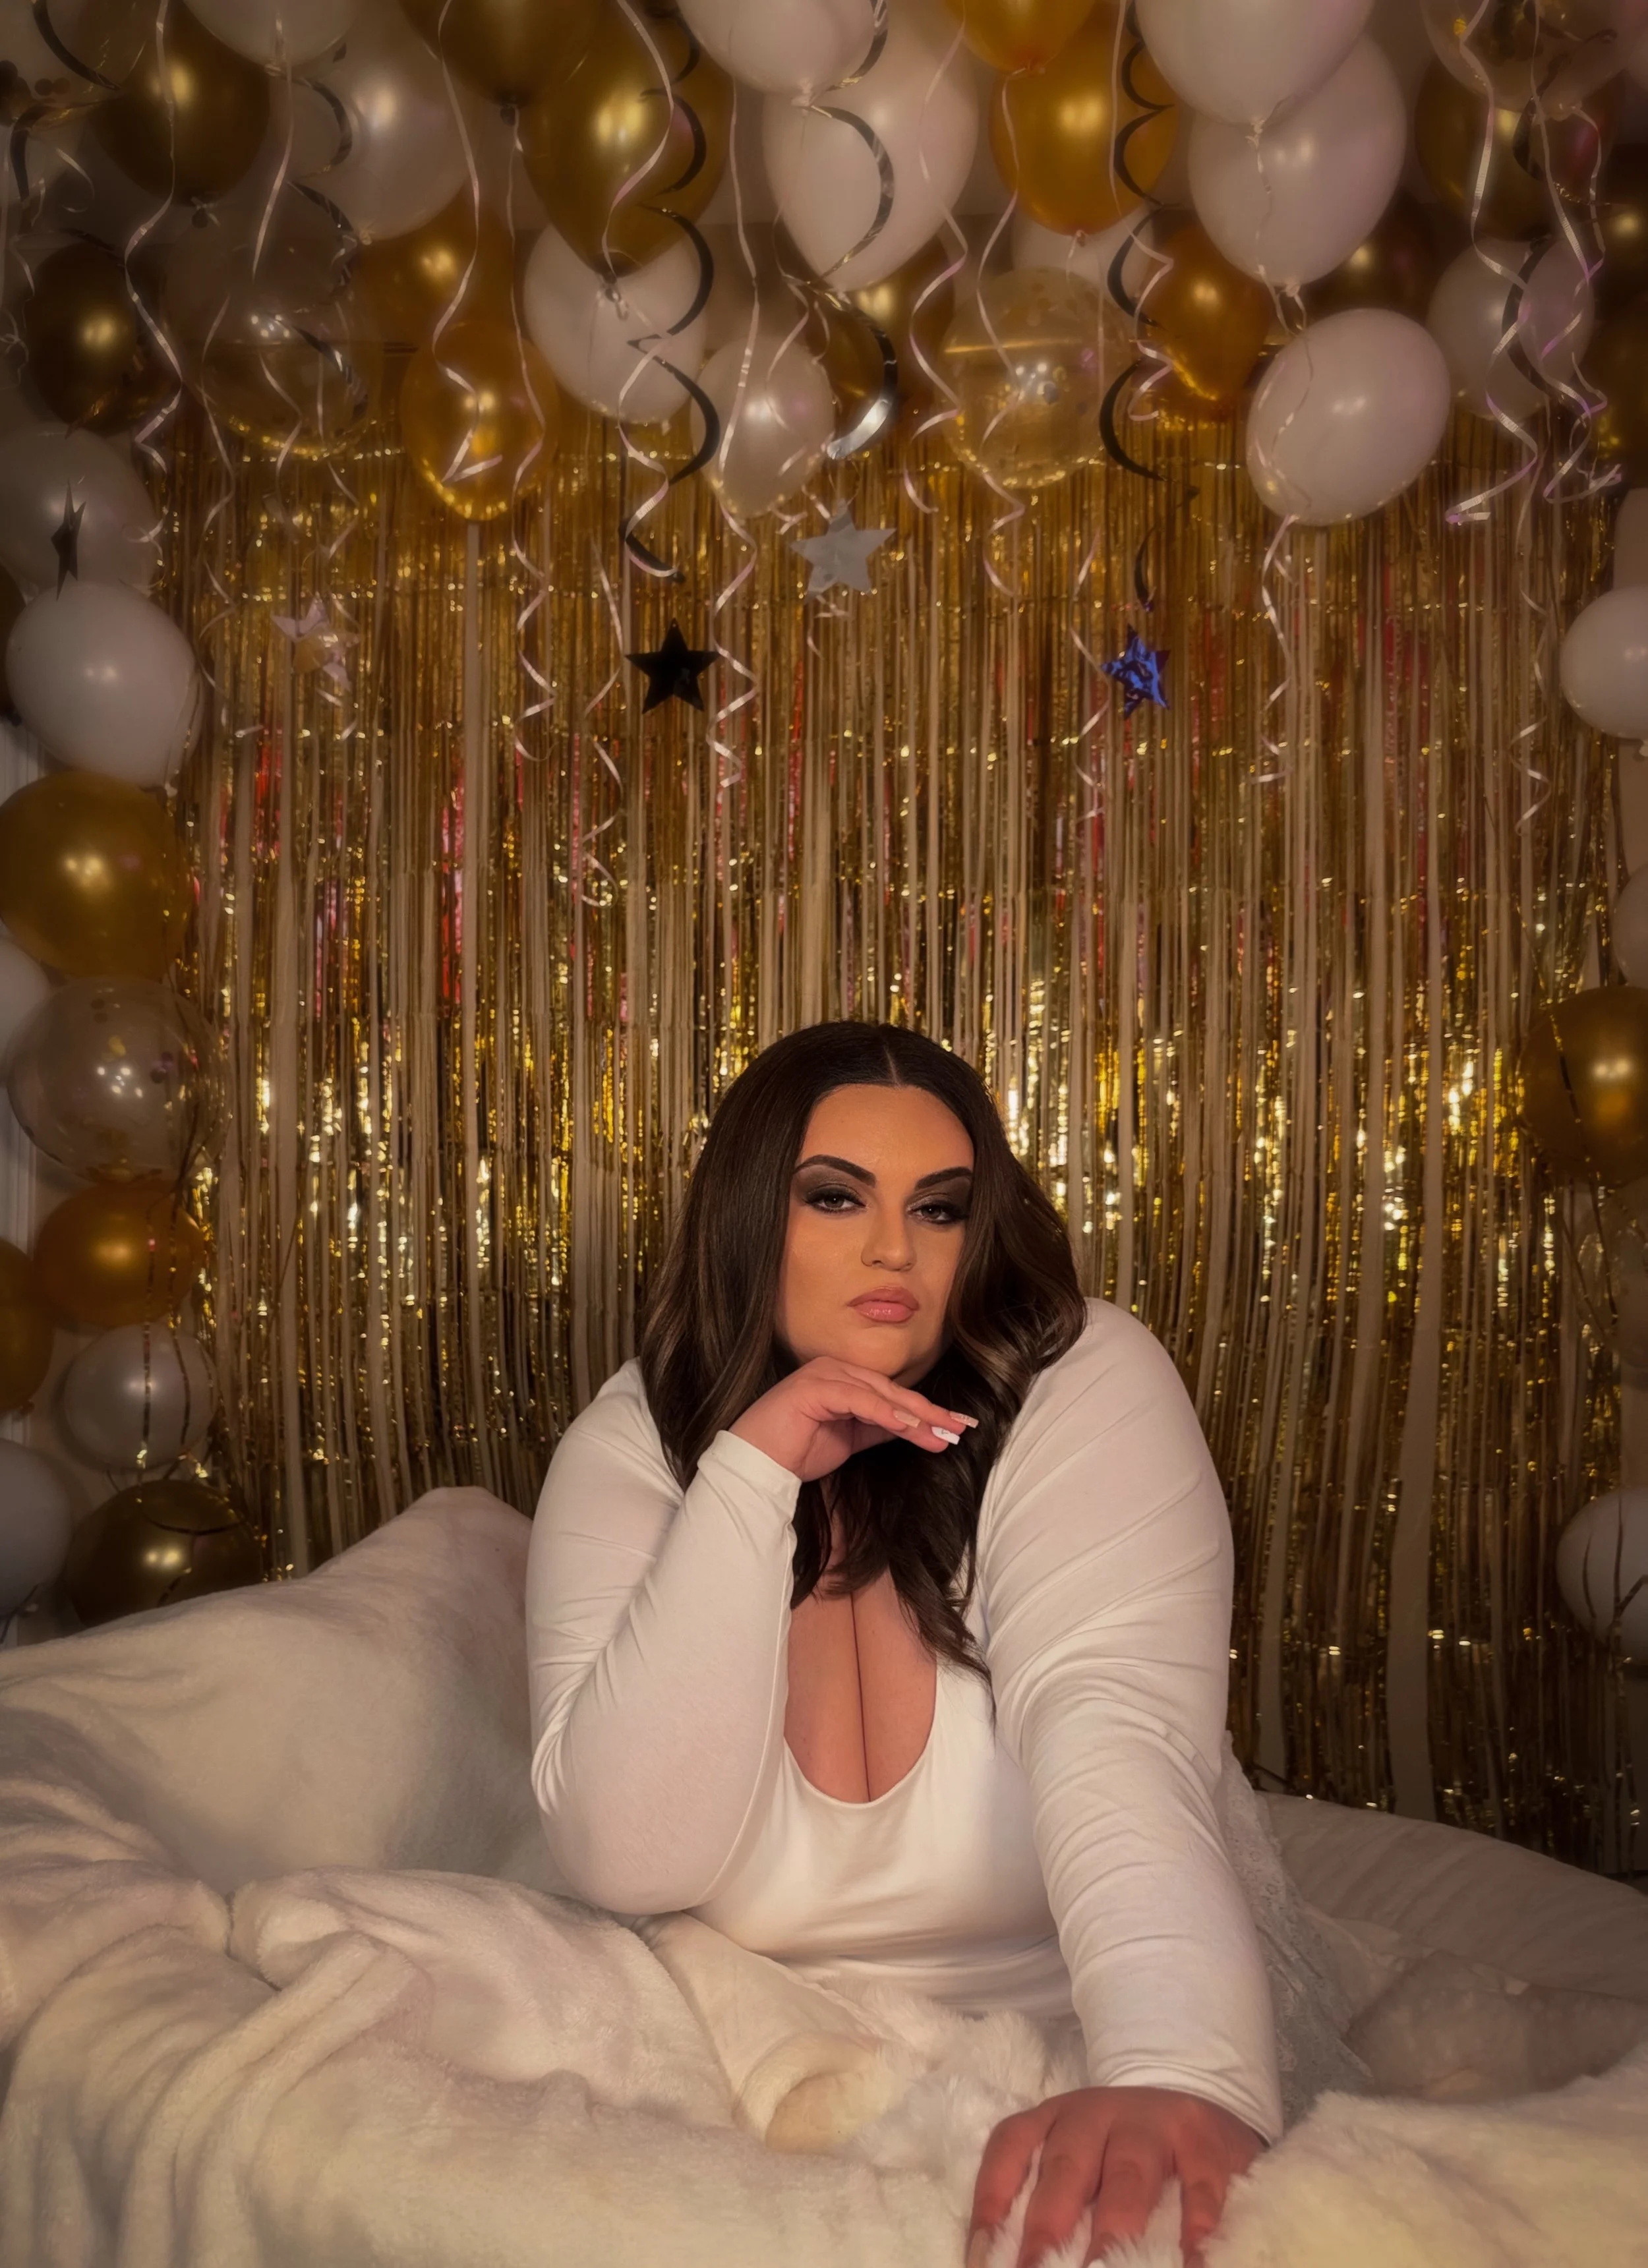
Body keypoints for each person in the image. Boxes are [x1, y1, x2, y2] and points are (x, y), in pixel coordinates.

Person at [526, 1022, 1312, 2267]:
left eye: (940, 1209)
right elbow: (628, 1855)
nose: (896, 1248)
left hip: (1061, 2041)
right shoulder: (635, 1442)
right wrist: (751, 1474)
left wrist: (1177, 2073)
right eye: (836, 1196)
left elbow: (1113, 1729)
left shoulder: (1079, 1380)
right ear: (747, 1215)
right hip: (732, 2045)